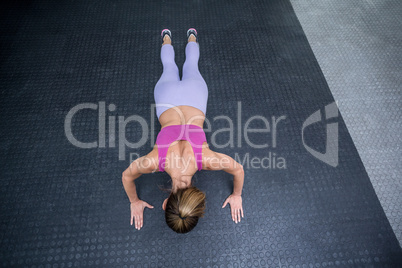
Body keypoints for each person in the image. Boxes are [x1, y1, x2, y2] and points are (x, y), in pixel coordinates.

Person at [122, 28, 244, 233]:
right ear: (164, 204)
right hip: (167, 98)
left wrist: (237, 194)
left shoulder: (207, 159)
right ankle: (167, 37)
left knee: (191, 66)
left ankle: (192, 35)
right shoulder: (154, 161)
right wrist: (133, 201)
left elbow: (238, 169)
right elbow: (126, 176)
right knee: (169, 67)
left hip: (194, 95)